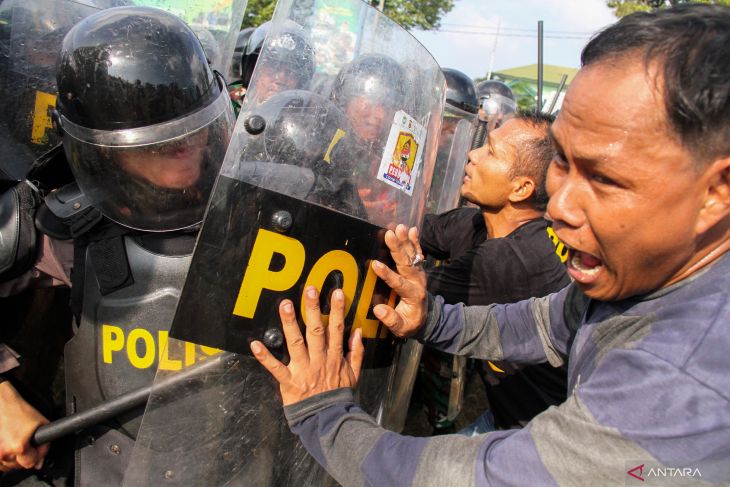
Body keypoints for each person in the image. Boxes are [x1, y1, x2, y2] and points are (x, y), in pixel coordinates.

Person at [251, 4, 730, 485]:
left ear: (717, 192)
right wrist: (433, 318)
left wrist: (324, 417)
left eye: (603, 178)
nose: (559, 207)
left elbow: (480, 478)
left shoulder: (685, 383)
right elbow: (545, 321)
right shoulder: (642, 272)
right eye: (562, 161)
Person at [0, 6, 234, 485]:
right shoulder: (54, 230)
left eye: (188, 127)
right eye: (153, 136)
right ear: (100, 146)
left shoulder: (257, 218)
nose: (181, 145)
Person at [418, 111, 570, 433]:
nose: (472, 155)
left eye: (490, 150)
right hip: (506, 419)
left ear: (521, 188)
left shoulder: (510, 260)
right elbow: (416, 230)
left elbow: (405, 294)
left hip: (538, 441)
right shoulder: (476, 223)